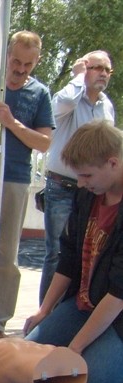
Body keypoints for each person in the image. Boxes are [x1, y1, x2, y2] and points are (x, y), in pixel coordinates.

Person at [24, 120, 123, 383]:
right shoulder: (87, 195)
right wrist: (45, 310)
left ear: (113, 163)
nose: (80, 183)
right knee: (29, 355)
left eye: (87, 176)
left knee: (87, 379)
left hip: (116, 313)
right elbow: (67, 256)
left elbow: (118, 294)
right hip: (86, 304)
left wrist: (75, 348)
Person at [0, 30, 54, 337]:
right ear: (7, 55)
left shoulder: (40, 93)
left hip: (14, 178)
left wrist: (12, 123)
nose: (20, 69)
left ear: (36, 62)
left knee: (6, 254)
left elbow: (44, 142)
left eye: (27, 65)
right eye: (16, 61)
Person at [40, 51, 116, 302]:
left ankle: (77, 302)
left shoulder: (106, 106)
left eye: (107, 70)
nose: (103, 74)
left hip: (93, 191)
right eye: (97, 68)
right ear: (84, 68)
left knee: (89, 251)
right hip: (62, 187)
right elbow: (59, 105)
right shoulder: (70, 98)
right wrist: (78, 77)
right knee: (58, 254)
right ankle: (47, 311)